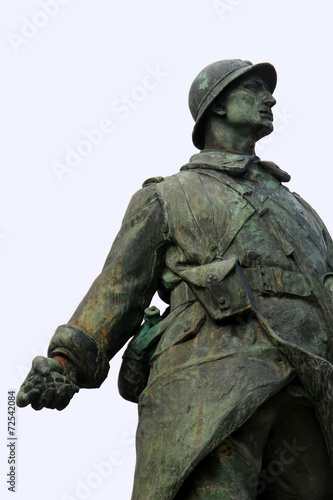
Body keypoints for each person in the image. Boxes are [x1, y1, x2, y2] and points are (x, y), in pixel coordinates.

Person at [17, 59, 333, 499]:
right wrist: (67, 362)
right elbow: (120, 288)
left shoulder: (301, 210)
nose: (271, 99)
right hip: (211, 383)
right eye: (256, 90)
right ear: (217, 106)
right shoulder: (167, 196)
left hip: (309, 384)